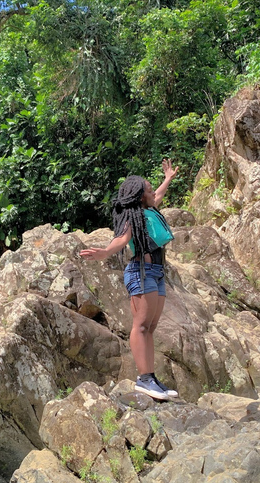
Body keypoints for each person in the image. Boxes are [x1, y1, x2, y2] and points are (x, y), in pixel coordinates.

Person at [79, 159, 179, 400]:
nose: (152, 192)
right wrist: (104, 252)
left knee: (151, 327)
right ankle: (144, 379)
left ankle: (151, 377)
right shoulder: (131, 217)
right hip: (140, 272)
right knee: (141, 325)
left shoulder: (149, 211)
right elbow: (122, 240)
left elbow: (159, 195)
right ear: (138, 195)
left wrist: (168, 179)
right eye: (148, 189)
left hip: (156, 273)